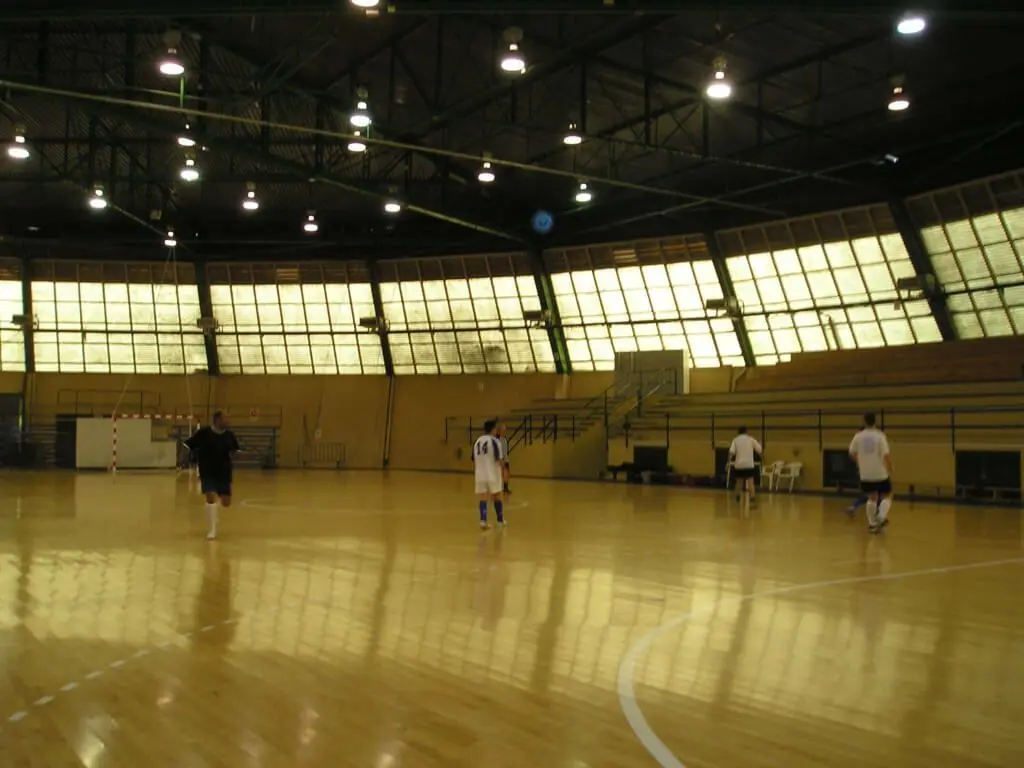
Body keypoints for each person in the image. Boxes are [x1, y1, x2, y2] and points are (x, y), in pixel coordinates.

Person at [184, 411, 240, 540]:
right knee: (210, 497)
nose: (229, 421)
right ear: (217, 420)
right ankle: (211, 529)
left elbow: (234, 450)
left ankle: (213, 514)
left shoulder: (229, 435)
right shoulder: (204, 433)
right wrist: (186, 457)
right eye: (226, 418)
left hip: (224, 472)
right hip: (207, 471)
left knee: (226, 502)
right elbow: (188, 445)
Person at [849, 412, 893, 533]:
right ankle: (881, 516)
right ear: (875, 421)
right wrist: (890, 467)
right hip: (880, 472)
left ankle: (872, 524)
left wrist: (860, 463)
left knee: (872, 497)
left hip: (865, 473)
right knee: (887, 495)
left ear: (864, 421)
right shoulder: (880, 436)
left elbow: (852, 453)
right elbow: (886, 455)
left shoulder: (858, 436)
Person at [473, 419, 505, 530]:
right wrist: (503, 470)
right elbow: (499, 459)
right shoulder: (495, 441)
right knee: (497, 495)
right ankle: (500, 520)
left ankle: (483, 520)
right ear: (493, 429)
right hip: (492, 473)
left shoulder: (478, 441)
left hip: (479, 474)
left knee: (482, 497)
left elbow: (473, 458)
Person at [728, 426, 762, 507]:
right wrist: (759, 443)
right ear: (746, 431)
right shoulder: (751, 439)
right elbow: (759, 450)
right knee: (750, 483)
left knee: (739, 482)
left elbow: (731, 452)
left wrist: (728, 463)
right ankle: (752, 500)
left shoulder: (735, 440)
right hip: (748, 464)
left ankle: (737, 498)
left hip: (739, 465)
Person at [497, 421, 511, 495]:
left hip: (505, 459)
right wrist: (501, 460)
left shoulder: (504, 440)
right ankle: (500, 487)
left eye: (505, 430)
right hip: (501, 460)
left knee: (506, 474)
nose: (504, 431)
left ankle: (505, 487)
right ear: (499, 431)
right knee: (502, 473)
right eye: (503, 430)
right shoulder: (498, 440)